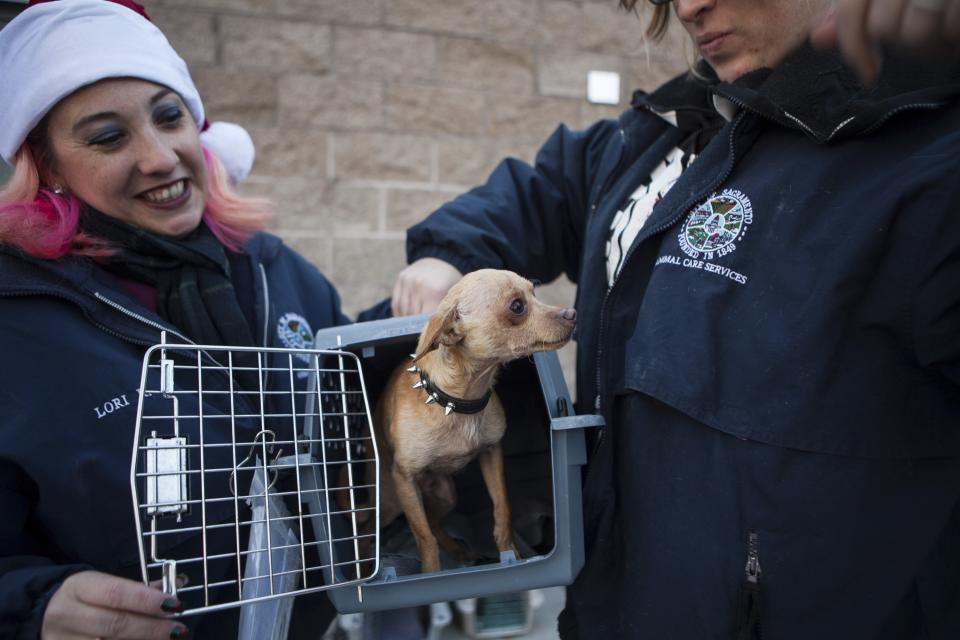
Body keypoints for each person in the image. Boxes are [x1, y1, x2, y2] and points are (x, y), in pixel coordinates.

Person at [391, 0, 960, 638]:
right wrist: (448, 259)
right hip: (614, 601)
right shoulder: (663, 130)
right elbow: (539, 192)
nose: (688, 8)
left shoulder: (930, 163)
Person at [0, 1, 351, 638]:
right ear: (47, 168)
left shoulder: (280, 272)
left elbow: (355, 427)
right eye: (108, 136)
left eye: (170, 117)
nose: (161, 157)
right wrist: (32, 603)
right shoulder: (14, 317)